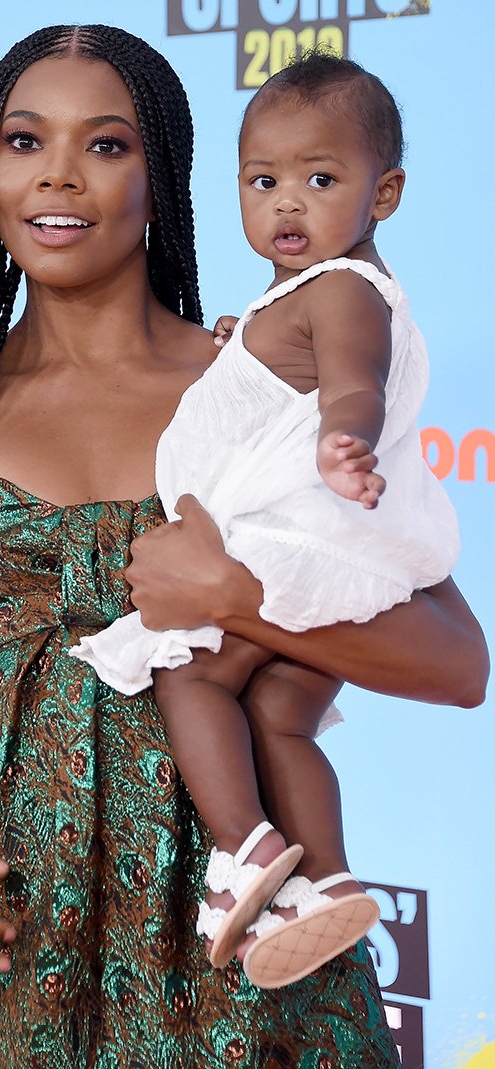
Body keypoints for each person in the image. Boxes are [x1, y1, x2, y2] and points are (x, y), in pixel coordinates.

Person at [0, 24, 488, 1068]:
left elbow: (458, 664)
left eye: (105, 145)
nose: (58, 175)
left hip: (237, 958)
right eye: (24, 143)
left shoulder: (253, 399)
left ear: (165, 180)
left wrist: (232, 594)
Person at [69, 50, 463, 989]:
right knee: (281, 716)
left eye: (320, 180)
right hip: (338, 564)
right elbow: (288, 375)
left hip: (295, 547)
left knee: (195, 680)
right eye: (264, 181)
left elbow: (353, 381)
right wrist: (241, 350)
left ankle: (244, 848)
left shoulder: (342, 290)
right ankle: (323, 883)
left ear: (387, 191)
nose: (288, 203)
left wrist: (344, 440)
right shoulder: (305, 294)